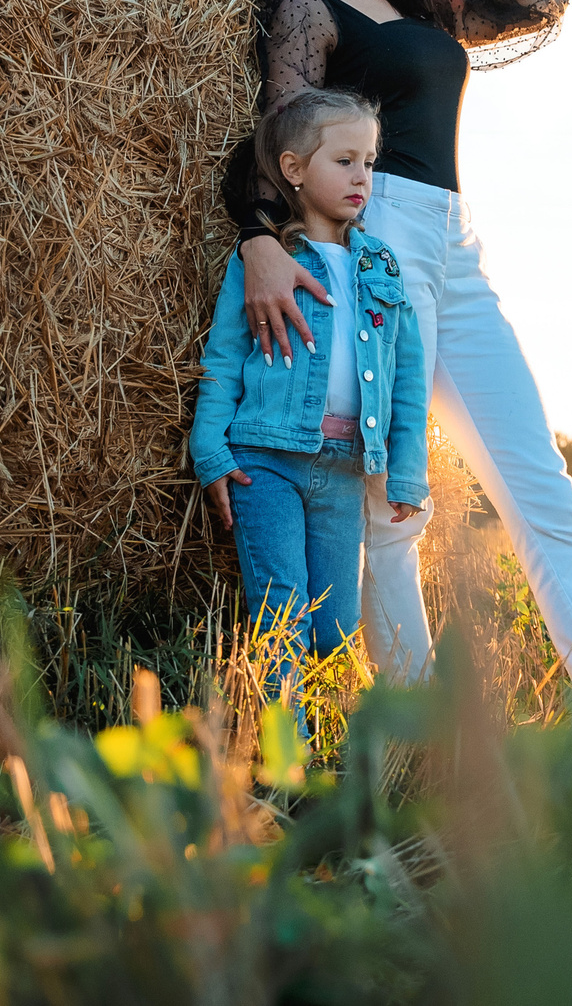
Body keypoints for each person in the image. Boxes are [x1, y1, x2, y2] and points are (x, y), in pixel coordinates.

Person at [221, 0, 572, 685]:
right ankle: (412, 725)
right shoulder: (307, 9)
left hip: (455, 241)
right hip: (378, 235)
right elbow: (285, 143)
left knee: (540, 484)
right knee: (390, 506)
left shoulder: (425, 14)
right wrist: (259, 235)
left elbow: (544, 0)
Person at [190, 89, 428, 701]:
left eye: (370, 163)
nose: (362, 177)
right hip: (266, 461)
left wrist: (406, 472)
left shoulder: (382, 267)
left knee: (335, 628)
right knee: (282, 619)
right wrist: (210, 450)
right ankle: (284, 763)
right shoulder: (265, 260)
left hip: (346, 470)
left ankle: (323, 752)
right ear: (294, 169)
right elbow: (223, 358)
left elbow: (406, 380)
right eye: (344, 160)